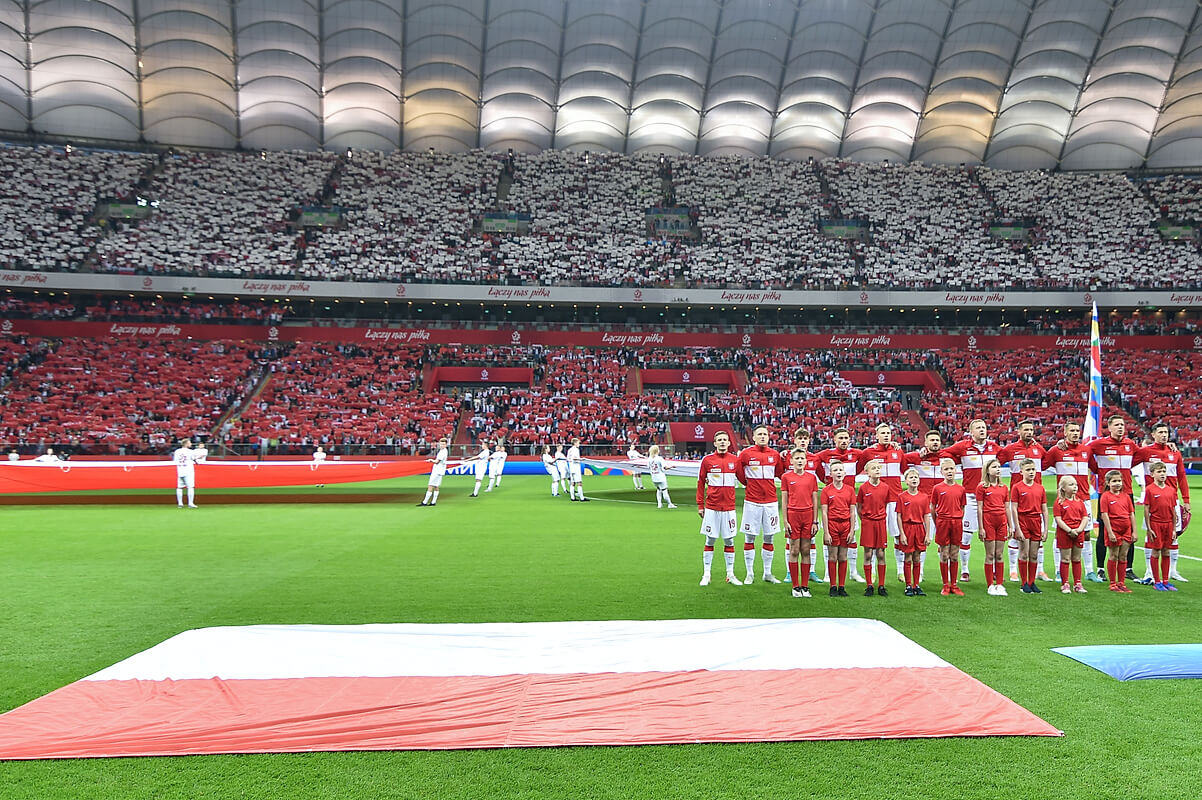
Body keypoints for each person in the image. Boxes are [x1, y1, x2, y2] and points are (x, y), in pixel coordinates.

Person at [939, 419, 1001, 583]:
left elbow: (1008, 454)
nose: (982, 430)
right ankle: (965, 570)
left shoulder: (994, 448)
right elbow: (944, 453)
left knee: (992, 535)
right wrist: (957, 461)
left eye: (984, 427)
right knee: (966, 535)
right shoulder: (963, 446)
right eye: (978, 428)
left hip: (990, 497)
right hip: (970, 496)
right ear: (971, 432)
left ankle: (994, 569)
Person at [1085, 415, 1143, 581]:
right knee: (1104, 530)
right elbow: (1084, 452)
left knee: (1129, 530)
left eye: (1122, 425)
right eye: (1117, 425)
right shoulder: (1099, 444)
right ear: (1109, 428)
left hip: (1127, 493)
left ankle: (1128, 568)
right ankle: (1101, 568)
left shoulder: (1130, 444)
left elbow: (1141, 456)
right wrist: (1097, 470)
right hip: (1106, 493)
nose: (1120, 428)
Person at [1046, 421, 1102, 582]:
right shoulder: (1057, 451)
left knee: (1085, 534)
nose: (1075, 433)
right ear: (1065, 433)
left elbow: (1096, 468)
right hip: (1063, 500)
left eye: (1078, 430)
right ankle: (1058, 571)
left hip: (1083, 499)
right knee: (1060, 534)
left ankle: (1090, 571)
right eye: (1072, 430)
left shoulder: (1087, 450)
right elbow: (1042, 463)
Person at [997, 420, 1052, 582]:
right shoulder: (1010, 450)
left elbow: (1048, 462)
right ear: (1019, 432)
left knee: (1038, 538)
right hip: (1017, 499)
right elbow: (995, 465)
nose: (1029, 432)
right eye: (1026, 429)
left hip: (1036, 499)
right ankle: (1013, 570)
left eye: (1031, 430)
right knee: (1016, 535)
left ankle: (1040, 571)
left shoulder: (1039, 449)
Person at [1138, 422, 1190, 583]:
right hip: (1153, 501)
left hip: (1172, 500)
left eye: (1166, 432)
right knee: (1150, 535)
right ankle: (1149, 572)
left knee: (1173, 536)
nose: (1164, 435)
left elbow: (1181, 477)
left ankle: (1172, 571)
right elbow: (1127, 463)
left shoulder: (1175, 453)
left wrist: (1186, 500)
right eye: (1160, 432)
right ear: (1153, 434)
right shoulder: (1145, 452)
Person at [735, 425, 787, 584]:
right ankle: (749, 573)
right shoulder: (745, 454)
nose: (763, 436)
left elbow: (781, 473)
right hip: (752, 502)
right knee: (750, 537)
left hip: (771, 502)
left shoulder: (774, 455)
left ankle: (767, 573)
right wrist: (750, 485)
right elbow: (740, 475)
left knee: (769, 537)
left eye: (765, 434)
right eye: (760, 434)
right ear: (754, 437)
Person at [813, 427, 863, 584]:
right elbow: (812, 461)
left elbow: (867, 460)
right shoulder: (826, 454)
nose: (843, 440)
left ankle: (853, 572)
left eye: (846, 438)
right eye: (840, 438)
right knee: (830, 543)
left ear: (849, 440)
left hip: (848, 501)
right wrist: (824, 479)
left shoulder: (856, 454)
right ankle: (829, 574)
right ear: (834, 439)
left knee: (851, 538)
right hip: (832, 501)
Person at [858, 424, 905, 581]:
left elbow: (905, 468)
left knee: (898, 535)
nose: (886, 435)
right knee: (873, 540)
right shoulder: (869, 452)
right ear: (876, 435)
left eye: (888, 433)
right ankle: (871, 571)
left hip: (895, 500)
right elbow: (857, 466)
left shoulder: (898, 451)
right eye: (883, 433)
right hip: (875, 502)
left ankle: (900, 570)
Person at [697, 431, 741, 586]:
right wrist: (700, 505)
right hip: (712, 508)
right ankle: (706, 574)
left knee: (729, 540)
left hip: (729, 508)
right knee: (710, 539)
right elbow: (701, 482)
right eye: (719, 440)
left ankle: (730, 574)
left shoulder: (735, 461)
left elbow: (744, 478)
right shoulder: (707, 461)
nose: (722, 442)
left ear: (729, 443)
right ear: (714, 443)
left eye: (725, 440)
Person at [903, 428, 943, 583]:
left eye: (937, 440)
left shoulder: (945, 457)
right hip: (923, 507)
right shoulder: (917, 458)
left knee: (944, 541)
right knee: (921, 540)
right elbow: (902, 460)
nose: (935, 443)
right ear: (925, 443)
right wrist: (917, 454)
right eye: (931, 440)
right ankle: (919, 572)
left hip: (942, 506)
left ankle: (945, 573)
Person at [781, 448, 821, 598]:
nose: (799, 461)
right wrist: (785, 521)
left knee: (806, 550)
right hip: (793, 515)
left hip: (808, 515)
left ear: (806, 461)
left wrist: (815, 521)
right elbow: (784, 501)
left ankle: (805, 586)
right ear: (791, 461)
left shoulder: (811, 478)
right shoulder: (786, 477)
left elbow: (815, 500)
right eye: (796, 458)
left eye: (802, 458)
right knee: (794, 550)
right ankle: (795, 586)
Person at [1009, 459, 1047, 594]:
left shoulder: (1040, 488)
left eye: (1033, 470)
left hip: (1036, 521)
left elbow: (1044, 509)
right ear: (1021, 472)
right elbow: (1014, 508)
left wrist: (1046, 528)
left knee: (1034, 554)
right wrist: (1017, 528)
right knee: (1024, 553)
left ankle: (1032, 582)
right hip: (1023, 520)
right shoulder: (1017, 487)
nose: (1031, 472)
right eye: (1028, 470)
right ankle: (1024, 582)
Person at [820, 461, 858, 597]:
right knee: (832, 556)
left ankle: (841, 586)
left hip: (846, 525)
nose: (838, 472)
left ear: (845, 473)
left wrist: (852, 530)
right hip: (832, 525)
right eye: (835, 470)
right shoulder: (826, 490)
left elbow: (853, 511)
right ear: (831, 474)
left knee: (843, 557)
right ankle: (832, 586)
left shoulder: (850, 490)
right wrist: (826, 532)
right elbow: (824, 512)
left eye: (841, 470)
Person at [932, 457, 968, 596]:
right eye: (946, 469)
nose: (949, 471)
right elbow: (932, 508)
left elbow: (962, 507)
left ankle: (954, 584)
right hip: (943, 522)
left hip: (956, 522)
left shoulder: (961, 489)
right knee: (944, 554)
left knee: (954, 554)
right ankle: (945, 584)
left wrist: (957, 518)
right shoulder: (937, 488)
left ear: (956, 470)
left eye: (951, 469)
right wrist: (938, 523)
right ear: (941, 472)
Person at [856, 459, 892, 596]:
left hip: (880, 522)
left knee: (881, 553)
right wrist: (865, 519)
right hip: (868, 523)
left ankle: (881, 585)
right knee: (868, 554)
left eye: (879, 468)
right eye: (874, 468)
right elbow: (859, 507)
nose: (877, 470)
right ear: (867, 472)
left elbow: (886, 504)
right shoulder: (864, 488)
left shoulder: (885, 487)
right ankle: (869, 585)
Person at [896, 466, 932, 597]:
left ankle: (916, 584)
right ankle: (908, 585)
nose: (914, 479)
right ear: (906, 481)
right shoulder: (902, 497)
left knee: (917, 556)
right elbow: (899, 516)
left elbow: (926, 516)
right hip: (907, 528)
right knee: (908, 556)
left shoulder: (923, 497)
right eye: (911, 477)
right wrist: (902, 533)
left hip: (919, 528)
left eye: (916, 477)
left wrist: (928, 534)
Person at [976, 459, 1011, 595]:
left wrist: (1010, 525)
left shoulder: (1004, 487)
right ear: (987, 470)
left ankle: (1000, 584)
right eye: (994, 467)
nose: (998, 469)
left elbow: (1006, 507)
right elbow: (980, 508)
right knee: (990, 554)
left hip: (1001, 521)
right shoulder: (982, 487)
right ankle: (990, 584)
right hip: (988, 521)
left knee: (999, 554)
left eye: (999, 467)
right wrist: (981, 527)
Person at [1144, 461, 1180, 591]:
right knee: (1156, 551)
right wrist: (1149, 528)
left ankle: (1166, 580)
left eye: (1164, 471)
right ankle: (1157, 581)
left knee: (1166, 550)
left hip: (1169, 524)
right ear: (1152, 474)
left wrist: (1175, 529)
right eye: (1159, 472)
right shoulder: (1149, 489)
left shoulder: (1171, 490)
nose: (1162, 474)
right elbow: (1146, 509)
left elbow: (1173, 510)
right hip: (1156, 524)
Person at [1099, 470, 1135, 593]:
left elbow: (1131, 514)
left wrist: (1134, 531)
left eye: (1119, 481)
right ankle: (1113, 583)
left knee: (1123, 555)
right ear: (1108, 483)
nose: (1117, 483)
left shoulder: (1126, 496)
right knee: (1114, 555)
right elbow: (1104, 514)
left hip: (1126, 529)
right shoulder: (1105, 496)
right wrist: (1110, 532)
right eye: (1114, 481)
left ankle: (1121, 582)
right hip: (1114, 529)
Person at [1052, 475, 1090, 594]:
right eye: (1071, 485)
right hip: (1065, 533)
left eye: (1075, 485)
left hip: (1078, 532)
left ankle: (1078, 583)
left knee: (1077, 558)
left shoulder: (1080, 502)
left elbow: (1085, 517)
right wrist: (1069, 530)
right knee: (1065, 558)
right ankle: (1065, 583)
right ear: (1063, 488)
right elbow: (1058, 519)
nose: (1074, 487)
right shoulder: (1059, 503)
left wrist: (1079, 529)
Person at [172, 438, 205, 508]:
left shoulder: (177, 451)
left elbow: (175, 460)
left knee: (179, 487)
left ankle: (180, 503)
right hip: (188, 470)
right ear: (186, 444)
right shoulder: (190, 451)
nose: (191, 444)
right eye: (189, 443)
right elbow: (194, 458)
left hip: (180, 470)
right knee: (190, 487)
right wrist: (200, 457)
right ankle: (190, 503)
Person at [420, 437, 449, 506]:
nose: (442, 445)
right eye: (441, 444)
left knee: (430, 485)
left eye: (443, 444)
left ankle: (425, 502)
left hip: (437, 470)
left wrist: (431, 460)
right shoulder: (444, 451)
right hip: (440, 470)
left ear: (446, 445)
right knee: (436, 486)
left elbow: (437, 461)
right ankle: (433, 502)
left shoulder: (443, 452)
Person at [567, 437, 587, 501]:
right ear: (575, 443)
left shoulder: (569, 450)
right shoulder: (575, 450)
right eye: (578, 443)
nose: (579, 444)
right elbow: (574, 458)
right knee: (579, 482)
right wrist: (581, 459)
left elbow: (568, 459)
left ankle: (572, 497)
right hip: (576, 467)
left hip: (571, 468)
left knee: (573, 483)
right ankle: (582, 498)